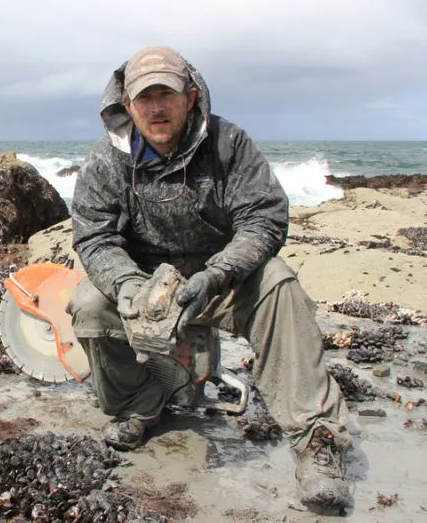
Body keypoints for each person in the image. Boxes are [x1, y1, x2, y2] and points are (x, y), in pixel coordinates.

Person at [66, 45, 352, 512]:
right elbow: (95, 238)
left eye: (167, 94)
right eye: (145, 98)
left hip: (220, 280)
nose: (156, 107)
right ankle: (140, 403)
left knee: (279, 283)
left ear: (191, 96)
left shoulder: (229, 144)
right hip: (146, 286)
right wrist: (127, 286)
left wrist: (217, 274)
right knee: (89, 302)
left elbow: (264, 218)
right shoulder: (106, 160)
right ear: (126, 105)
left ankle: (317, 436)